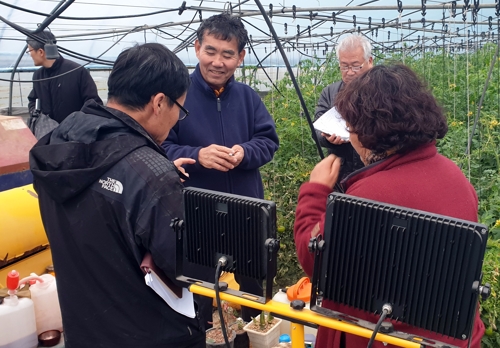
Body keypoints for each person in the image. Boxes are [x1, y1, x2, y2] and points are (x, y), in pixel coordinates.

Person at [294, 64, 484, 348]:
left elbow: (317, 263)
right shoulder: (455, 176)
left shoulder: (368, 196)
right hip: (450, 336)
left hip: (382, 337)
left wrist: (315, 191)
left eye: (350, 125)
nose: (349, 134)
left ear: (369, 129)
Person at [29, 43, 205, 348]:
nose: (178, 118)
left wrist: (151, 178)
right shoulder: (151, 174)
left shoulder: (57, 144)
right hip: (149, 334)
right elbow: (187, 264)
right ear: (159, 102)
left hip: (84, 330)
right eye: (180, 108)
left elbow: (102, 195)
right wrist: (160, 183)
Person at [162, 14, 279, 325]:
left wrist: (245, 152)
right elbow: (161, 146)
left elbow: (268, 140)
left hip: (247, 208)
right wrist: (198, 155)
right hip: (198, 210)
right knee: (198, 288)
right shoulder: (177, 95)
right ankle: (199, 333)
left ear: (240, 57)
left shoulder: (247, 98)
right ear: (197, 47)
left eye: (228, 54)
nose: (218, 62)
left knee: (253, 284)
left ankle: (255, 332)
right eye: (210, 51)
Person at [314, 34, 373, 184]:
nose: (350, 72)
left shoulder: (382, 92)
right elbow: (316, 130)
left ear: (369, 62)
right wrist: (327, 138)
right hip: (340, 176)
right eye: (344, 66)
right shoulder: (330, 93)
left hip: (373, 171)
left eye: (355, 66)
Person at [26, 30, 102, 124]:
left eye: (29, 51)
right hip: (47, 133)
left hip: (74, 134)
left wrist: (77, 126)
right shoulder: (38, 76)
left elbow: (93, 104)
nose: (29, 55)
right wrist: (37, 116)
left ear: (41, 52)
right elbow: (33, 100)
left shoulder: (76, 71)